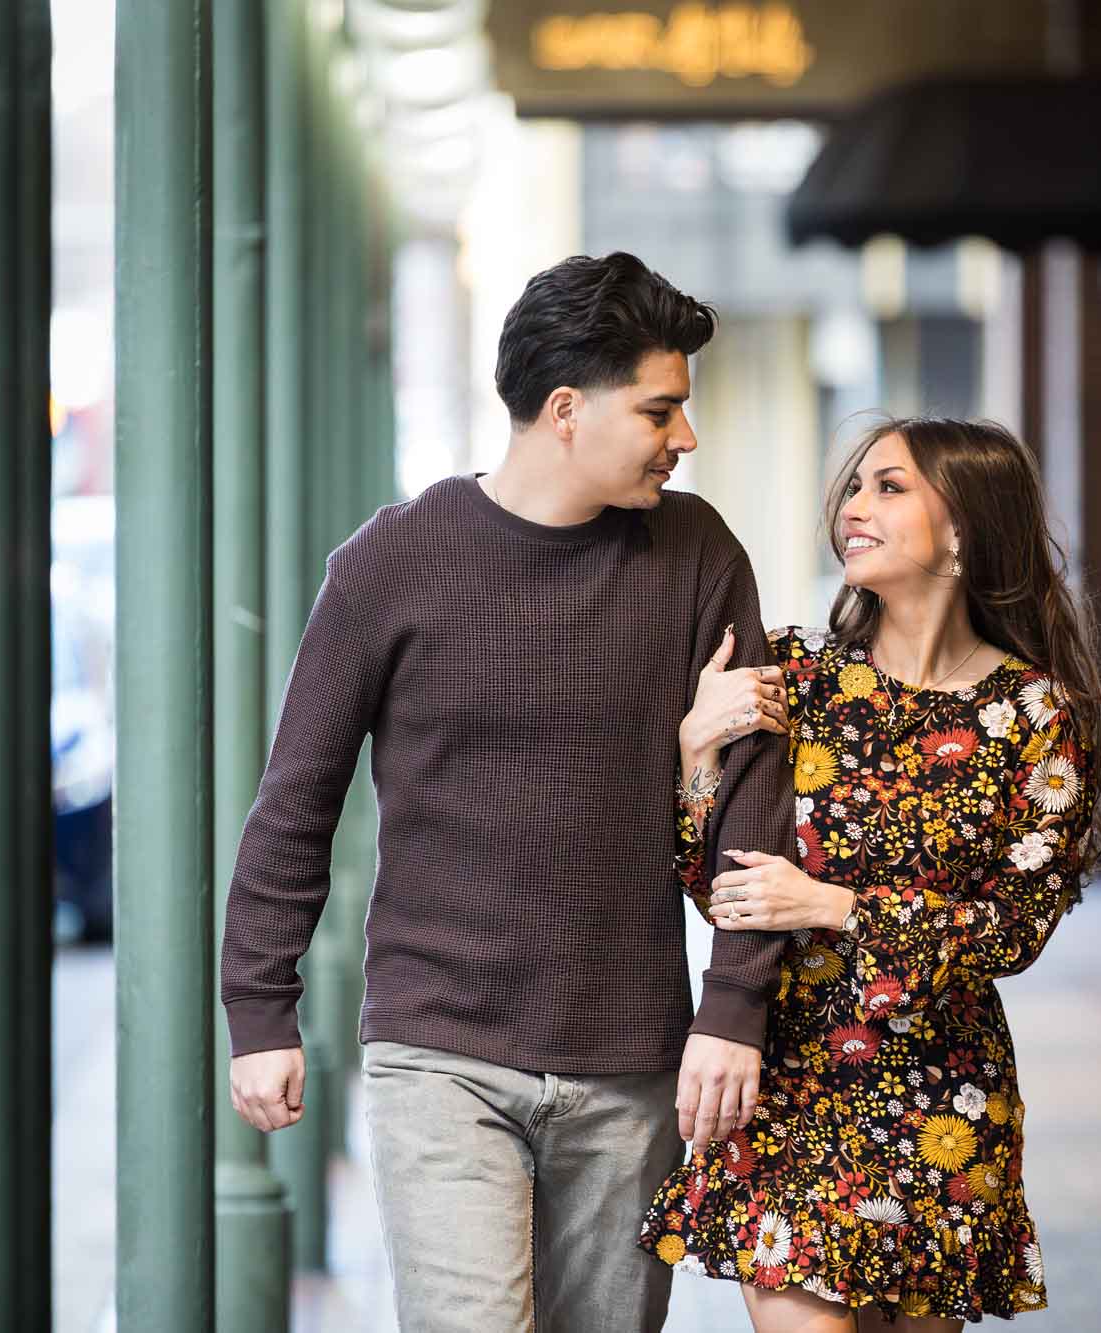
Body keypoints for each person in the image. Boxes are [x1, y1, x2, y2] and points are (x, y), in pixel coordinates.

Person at [219, 251, 794, 1332]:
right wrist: (260, 1008)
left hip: (632, 1059)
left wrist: (734, 1005)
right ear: (567, 409)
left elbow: (752, 795)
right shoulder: (388, 564)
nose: (687, 437)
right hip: (439, 1053)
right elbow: (297, 797)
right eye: (662, 409)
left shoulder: (696, 552)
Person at [639, 417, 1101, 1331]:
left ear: (965, 524)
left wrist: (833, 904)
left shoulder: (1034, 715)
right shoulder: (796, 677)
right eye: (854, 487)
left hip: (945, 1093)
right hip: (787, 1078)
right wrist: (697, 748)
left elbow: (1014, 930)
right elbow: (715, 878)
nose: (854, 507)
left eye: (888, 487)